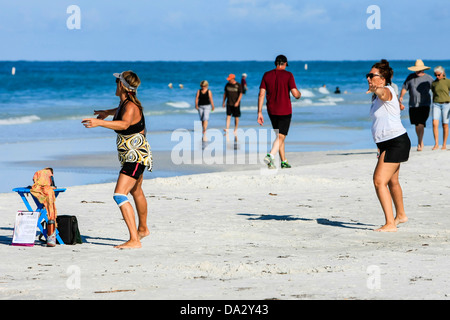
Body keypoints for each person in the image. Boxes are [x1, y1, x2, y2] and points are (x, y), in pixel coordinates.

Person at [82, 71, 152, 249]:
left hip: (135, 157)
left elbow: (124, 124)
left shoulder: (131, 107)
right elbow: (121, 113)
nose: (114, 84)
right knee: (136, 191)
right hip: (135, 155)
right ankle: (143, 229)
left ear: (122, 85)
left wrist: (99, 123)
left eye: (116, 81)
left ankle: (135, 240)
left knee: (119, 194)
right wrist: (107, 112)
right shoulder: (126, 104)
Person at [366, 59, 411, 232]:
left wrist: (376, 89)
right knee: (393, 181)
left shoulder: (386, 90)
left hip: (396, 143)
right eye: (368, 75)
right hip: (388, 143)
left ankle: (390, 223)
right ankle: (400, 215)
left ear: (383, 79)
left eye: (372, 76)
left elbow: (383, 93)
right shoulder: (377, 97)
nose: (369, 78)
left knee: (379, 181)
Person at [257, 55, 301, 169]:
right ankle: (270, 155)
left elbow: (261, 94)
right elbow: (295, 94)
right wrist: (299, 94)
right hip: (284, 110)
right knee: (281, 136)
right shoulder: (288, 75)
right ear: (285, 63)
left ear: (275, 63)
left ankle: (283, 161)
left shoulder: (266, 75)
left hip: (271, 110)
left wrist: (259, 112)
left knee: (279, 136)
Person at [399, 59, 433, 151]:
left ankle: (419, 142)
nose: (418, 71)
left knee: (421, 123)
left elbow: (434, 88)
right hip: (413, 105)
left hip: (425, 104)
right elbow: (404, 87)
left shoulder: (428, 78)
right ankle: (420, 141)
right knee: (416, 124)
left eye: (420, 69)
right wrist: (401, 96)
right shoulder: (410, 77)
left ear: (423, 69)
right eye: (417, 69)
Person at [431, 66, 450, 150]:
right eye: (435, 75)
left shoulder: (448, 81)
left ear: (442, 73)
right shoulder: (434, 83)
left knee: (445, 124)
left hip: (446, 105)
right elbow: (433, 93)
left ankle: (444, 144)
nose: (437, 76)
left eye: (438, 75)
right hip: (436, 104)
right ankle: (436, 144)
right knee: (434, 123)